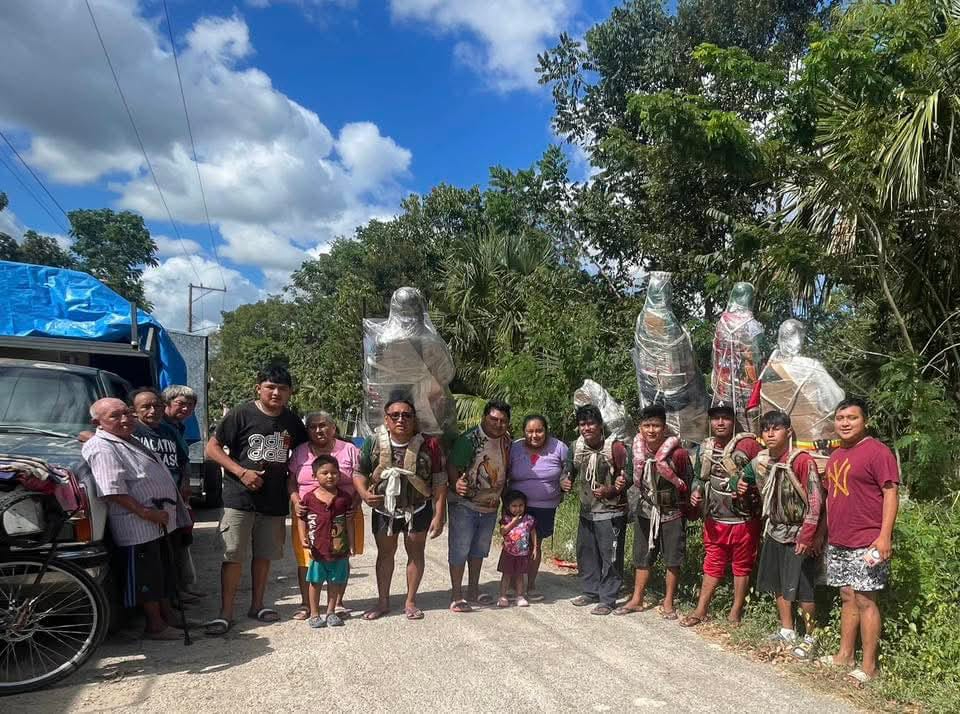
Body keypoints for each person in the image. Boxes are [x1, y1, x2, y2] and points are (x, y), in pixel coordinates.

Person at [203, 364, 309, 635]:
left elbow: (302, 457)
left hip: (273, 500)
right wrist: (240, 472)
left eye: (282, 389)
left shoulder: (293, 422)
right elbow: (211, 448)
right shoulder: (241, 413)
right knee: (233, 555)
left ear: (290, 393)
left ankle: (258, 605)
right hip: (238, 498)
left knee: (264, 556)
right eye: (270, 387)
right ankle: (225, 613)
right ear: (258, 388)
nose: (276, 393)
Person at [81, 398, 185, 640]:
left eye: (126, 413)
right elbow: (112, 490)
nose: (125, 419)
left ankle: (168, 616)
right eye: (115, 416)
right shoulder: (102, 446)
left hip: (157, 520)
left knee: (160, 571)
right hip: (137, 522)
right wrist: (146, 513)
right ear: (98, 422)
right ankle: (155, 625)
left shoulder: (127, 438)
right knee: (146, 577)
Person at [822, 397, 900, 684]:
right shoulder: (836, 455)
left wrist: (884, 536)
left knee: (866, 600)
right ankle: (845, 655)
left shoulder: (877, 452)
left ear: (864, 420)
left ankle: (869, 667)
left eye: (852, 418)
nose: (845, 423)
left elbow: (891, 493)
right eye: (840, 418)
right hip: (840, 540)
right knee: (847, 596)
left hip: (868, 540)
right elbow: (832, 496)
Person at [354, 394, 446, 621]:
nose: (400, 419)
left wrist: (439, 513)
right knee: (385, 555)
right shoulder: (373, 442)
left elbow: (439, 480)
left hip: (418, 508)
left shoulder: (429, 444)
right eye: (394, 415)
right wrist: (365, 494)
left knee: (416, 553)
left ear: (414, 419)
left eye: (406, 415)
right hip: (384, 510)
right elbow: (359, 472)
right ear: (386, 420)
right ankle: (383, 602)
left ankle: (410, 601)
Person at [743, 411, 823, 657]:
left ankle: (812, 636)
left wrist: (808, 535)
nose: (770, 433)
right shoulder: (764, 461)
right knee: (779, 583)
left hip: (798, 533)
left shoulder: (801, 461)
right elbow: (741, 477)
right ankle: (787, 630)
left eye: (776, 428)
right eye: (766, 428)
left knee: (803, 587)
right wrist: (739, 484)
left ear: (788, 432)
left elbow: (815, 500)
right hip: (775, 530)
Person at [680, 402, 762, 627]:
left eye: (725, 418)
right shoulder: (705, 448)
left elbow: (765, 475)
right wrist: (696, 492)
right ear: (710, 421)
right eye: (716, 418)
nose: (720, 422)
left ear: (733, 421)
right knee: (712, 563)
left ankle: (736, 611)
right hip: (715, 519)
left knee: (741, 565)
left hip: (743, 519)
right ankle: (701, 609)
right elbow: (699, 477)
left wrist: (749, 487)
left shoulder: (749, 446)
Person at [617, 404, 692, 619]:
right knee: (642, 556)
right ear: (640, 428)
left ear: (664, 427)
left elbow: (688, 480)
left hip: (672, 512)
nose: (651, 430)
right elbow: (631, 475)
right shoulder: (637, 451)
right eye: (647, 425)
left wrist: (691, 501)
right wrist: (622, 481)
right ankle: (637, 599)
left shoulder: (678, 454)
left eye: (656, 426)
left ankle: (668, 602)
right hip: (646, 509)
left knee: (672, 558)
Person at [288, 411, 362, 620]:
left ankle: (337, 604)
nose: (318, 430)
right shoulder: (300, 452)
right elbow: (291, 480)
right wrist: (295, 502)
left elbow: (361, 478)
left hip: (344, 512)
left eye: (323, 425)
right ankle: (307, 605)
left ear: (333, 427)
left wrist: (356, 503)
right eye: (312, 426)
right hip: (309, 515)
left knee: (342, 557)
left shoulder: (349, 450)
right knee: (307, 559)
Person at [129, 387, 202, 600]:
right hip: (145, 504)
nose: (153, 410)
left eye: (157, 406)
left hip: (173, 499)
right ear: (133, 410)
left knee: (175, 546)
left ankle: (176, 594)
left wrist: (185, 485)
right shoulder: (131, 430)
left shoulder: (170, 430)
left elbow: (182, 459)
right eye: (147, 407)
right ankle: (165, 604)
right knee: (153, 558)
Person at [563, 404, 629, 616]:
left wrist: (612, 489)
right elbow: (568, 470)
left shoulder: (615, 447)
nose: (587, 428)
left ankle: (608, 598)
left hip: (611, 512)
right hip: (587, 510)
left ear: (600, 425)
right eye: (582, 424)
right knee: (586, 553)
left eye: (591, 423)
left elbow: (627, 476)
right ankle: (591, 591)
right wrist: (565, 480)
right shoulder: (576, 447)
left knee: (610, 556)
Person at [447, 399, 513, 612]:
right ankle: (457, 595)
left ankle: (473, 590)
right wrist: (455, 484)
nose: (498, 424)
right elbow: (453, 465)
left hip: (491, 506)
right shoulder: (470, 439)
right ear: (484, 418)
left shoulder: (507, 442)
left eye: (502, 420)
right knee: (460, 550)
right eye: (493, 419)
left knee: (478, 550)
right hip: (465, 505)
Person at [506, 414, 569, 600]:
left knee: (535, 544)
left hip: (545, 507)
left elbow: (570, 469)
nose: (535, 435)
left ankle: (531, 585)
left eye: (539, 430)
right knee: (514, 544)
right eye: (530, 431)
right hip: (517, 506)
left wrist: (566, 482)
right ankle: (511, 585)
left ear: (546, 430)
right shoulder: (514, 447)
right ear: (524, 432)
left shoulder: (559, 447)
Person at [299, 454, 354, 629]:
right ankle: (315, 614)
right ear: (314, 476)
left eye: (334, 473)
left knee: (335, 582)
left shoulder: (344, 498)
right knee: (315, 582)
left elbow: (349, 522)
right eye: (325, 473)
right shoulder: (308, 498)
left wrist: (351, 543)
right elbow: (301, 518)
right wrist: (303, 537)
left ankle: (331, 612)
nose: (330, 476)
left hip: (340, 549)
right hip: (318, 550)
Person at [497, 490, 539, 608]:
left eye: (521, 505)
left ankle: (520, 595)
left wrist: (535, 548)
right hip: (508, 553)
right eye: (514, 506)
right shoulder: (506, 519)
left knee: (520, 575)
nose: (518, 509)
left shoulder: (528, 519)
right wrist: (513, 522)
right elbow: (502, 531)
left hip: (523, 553)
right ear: (508, 506)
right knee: (507, 575)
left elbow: (533, 533)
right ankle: (503, 596)